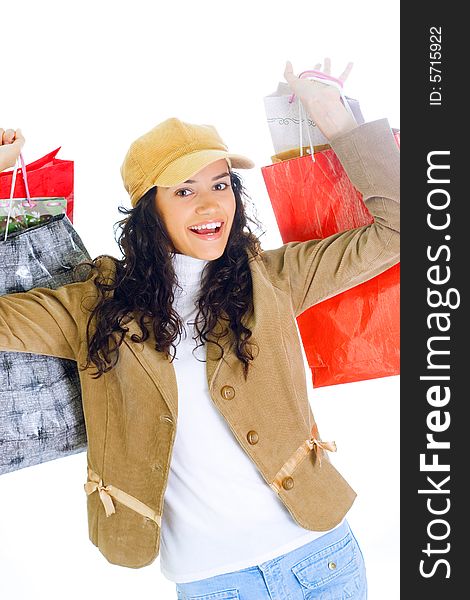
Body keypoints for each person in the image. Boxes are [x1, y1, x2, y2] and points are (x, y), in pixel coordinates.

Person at [0, 59, 399, 599]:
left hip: (321, 558)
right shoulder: (97, 306)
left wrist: (338, 121)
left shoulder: (272, 279)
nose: (212, 203)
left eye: (221, 183)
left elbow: (399, 230)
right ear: (148, 210)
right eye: (184, 190)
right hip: (215, 584)